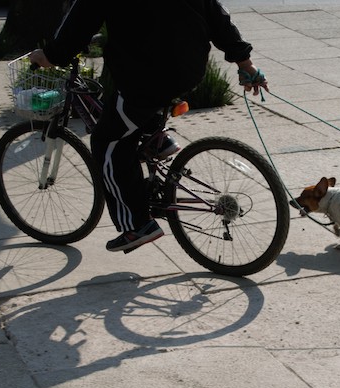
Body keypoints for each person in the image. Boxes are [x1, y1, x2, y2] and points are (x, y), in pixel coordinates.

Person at [29, 1, 268, 253]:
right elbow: (216, 15)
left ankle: (138, 225)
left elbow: (79, 21)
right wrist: (245, 64)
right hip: (188, 67)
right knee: (131, 115)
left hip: (145, 76)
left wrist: (51, 55)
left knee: (107, 142)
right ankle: (157, 141)